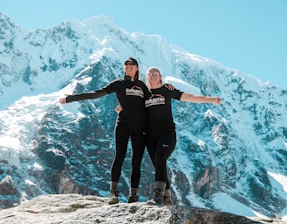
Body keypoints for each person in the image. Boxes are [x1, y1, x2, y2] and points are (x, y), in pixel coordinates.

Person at [58, 57, 151, 204]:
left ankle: (133, 195)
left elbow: (150, 104)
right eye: (126, 65)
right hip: (123, 124)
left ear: (137, 68)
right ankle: (113, 193)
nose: (128, 67)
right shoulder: (119, 84)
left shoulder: (142, 86)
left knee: (137, 160)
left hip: (140, 126)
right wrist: (71, 98)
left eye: (131, 65)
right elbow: (96, 93)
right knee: (119, 156)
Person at [144, 66, 222, 205]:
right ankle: (167, 197)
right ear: (147, 77)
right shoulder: (143, 93)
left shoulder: (167, 90)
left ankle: (158, 195)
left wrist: (211, 100)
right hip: (150, 136)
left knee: (160, 158)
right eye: (150, 73)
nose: (153, 75)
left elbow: (189, 97)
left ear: (160, 77)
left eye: (156, 73)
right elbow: (132, 105)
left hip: (167, 134)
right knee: (158, 164)